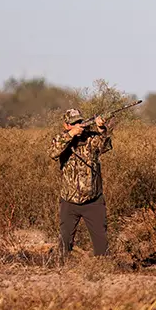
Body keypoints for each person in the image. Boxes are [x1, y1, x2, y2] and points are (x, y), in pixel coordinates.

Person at [49, 107, 112, 259]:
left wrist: (101, 127)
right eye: (73, 123)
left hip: (93, 201)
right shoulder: (61, 139)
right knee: (64, 244)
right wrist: (71, 135)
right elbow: (53, 153)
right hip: (69, 201)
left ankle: (103, 272)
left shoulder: (92, 138)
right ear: (66, 125)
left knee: (102, 247)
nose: (78, 125)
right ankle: (61, 272)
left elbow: (105, 146)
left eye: (79, 122)